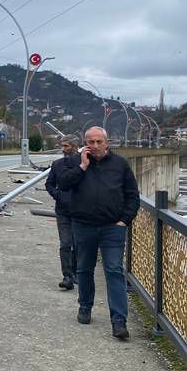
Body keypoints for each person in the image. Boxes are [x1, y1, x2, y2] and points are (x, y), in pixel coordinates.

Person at [59, 126, 139, 340]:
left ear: (107, 142)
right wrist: (83, 166)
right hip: (83, 226)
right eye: (90, 142)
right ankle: (85, 306)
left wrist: (125, 220)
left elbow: (132, 195)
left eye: (98, 142)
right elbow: (63, 185)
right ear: (85, 143)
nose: (95, 146)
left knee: (114, 270)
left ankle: (119, 321)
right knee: (84, 269)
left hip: (113, 227)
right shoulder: (76, 162)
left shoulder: (120, 165)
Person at [45, 134, 79, 290]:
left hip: (81, 211)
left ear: (75, 146)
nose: (64, 149)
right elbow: (49, 184)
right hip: (63, 211)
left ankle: (77, 273)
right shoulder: (57, 164)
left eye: (67, 146)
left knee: (79, 243)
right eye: (62, 146)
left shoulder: (84, 163)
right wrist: (58, 195)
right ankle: (67, 276)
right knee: (65, 243)